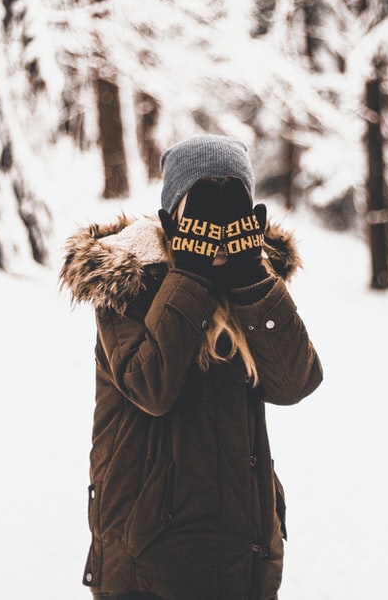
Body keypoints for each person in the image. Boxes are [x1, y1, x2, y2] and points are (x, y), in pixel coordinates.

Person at [60, 134, 323, 600]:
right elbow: (150, 387)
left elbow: (295, 381)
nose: (218, 227)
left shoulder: (250, 282)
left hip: (243, 552)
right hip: (148, 558)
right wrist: (192, 272)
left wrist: (250, 276)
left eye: (231, 209)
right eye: (201, 211)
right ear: (172, 216)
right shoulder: (128, 282)